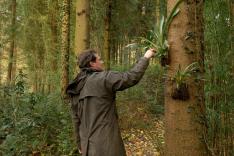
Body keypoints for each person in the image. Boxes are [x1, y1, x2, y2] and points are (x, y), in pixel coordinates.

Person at [66, 48, 155, 156]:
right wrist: (146, 57)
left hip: (87, 148)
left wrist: (80, 144)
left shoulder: (76, 86)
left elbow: (76, 120)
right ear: (92, 63)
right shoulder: (103, 78)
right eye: (100, 59)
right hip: (107, 146)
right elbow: (131, 77)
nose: (102, 62)